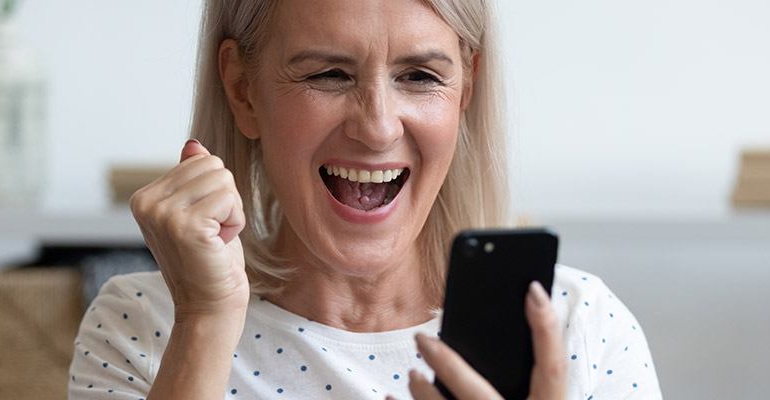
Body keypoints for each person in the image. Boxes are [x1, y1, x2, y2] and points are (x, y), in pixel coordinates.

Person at [68, 0, 662, 399]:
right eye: (329, 74)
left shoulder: (582, 326)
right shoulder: (146, 325)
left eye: (420, 76)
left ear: (466, 91)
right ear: (243, 91)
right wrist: (204, 322)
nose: (377, 127)